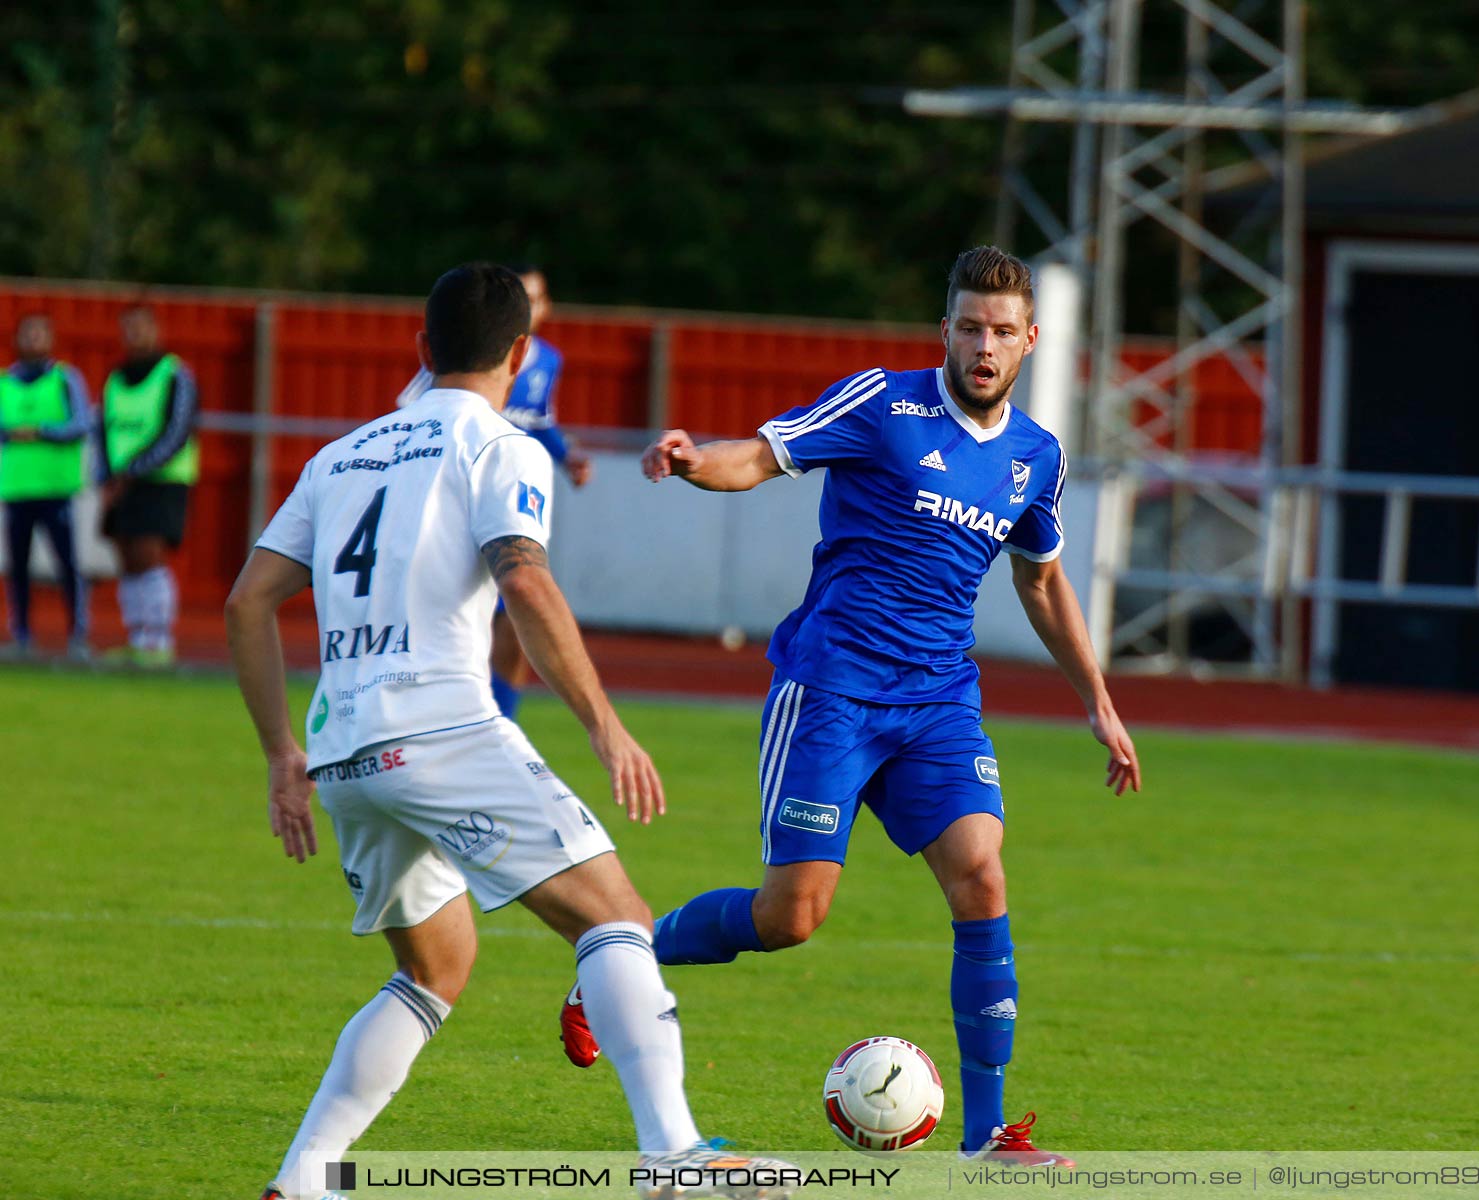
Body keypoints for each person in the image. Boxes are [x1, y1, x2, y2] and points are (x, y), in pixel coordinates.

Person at [560, 246, 1143, 1166]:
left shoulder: (1038, 457)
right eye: (969, 325)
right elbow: (759, 456)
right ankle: (615, 965)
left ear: (1030, 341)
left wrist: (1099, 703)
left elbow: (1042, 582)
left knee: (983, 878)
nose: (984, 344)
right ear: (943, 330)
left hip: (939, 703)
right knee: (790, 918)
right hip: (831, 690)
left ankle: (987, 1137)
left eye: (1002, 331)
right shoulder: (884, 404)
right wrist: (690, 460)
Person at [226, 264, 786, 1200]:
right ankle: (676, 1159)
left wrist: (283, 754)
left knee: (436, 966)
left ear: (423, 347)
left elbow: (248, 604)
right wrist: (606, 726)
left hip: (347, 750)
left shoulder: (342, 456)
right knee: (616, 918)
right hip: (441, 727)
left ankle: (305, 1179)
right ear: (520, 353)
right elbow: (523, 579)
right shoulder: (502, 445)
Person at [398, 264, 591, 719]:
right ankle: (437, 716)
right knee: (460, 612)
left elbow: (540, 425)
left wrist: (568, 458)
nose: (530, 307)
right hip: (457, 501)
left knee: (514, 621)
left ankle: (502, 720)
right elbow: (410, 413)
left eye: (538, 298)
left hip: (510, 500)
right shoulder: (463, 355)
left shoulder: (547, 362)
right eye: (523, 296)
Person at [99, 304, 199, 667]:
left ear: (156, 329)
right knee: (126, 556)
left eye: (141, 327)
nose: (134, 335)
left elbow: (176, 430)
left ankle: (159, 640)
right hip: (122, 481)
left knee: (149, 553)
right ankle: (137, 636)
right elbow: (104, 428)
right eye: (128, 328)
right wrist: (107, 476)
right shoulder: (116, 377)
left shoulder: (174, 374)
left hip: (162, 481)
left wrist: (135, 468)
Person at [0, 314, 93, 658]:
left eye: (40, 333)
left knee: (67, 564)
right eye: (28, 334)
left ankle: (78, 636)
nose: (34, 340)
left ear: (50, 339)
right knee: (18, 566)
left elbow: (82, 423)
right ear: (18, 339)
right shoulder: (5, 383)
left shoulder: (65, 379)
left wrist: (41, 431)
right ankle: (21, 635)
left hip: (56, 488)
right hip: (17, 488)